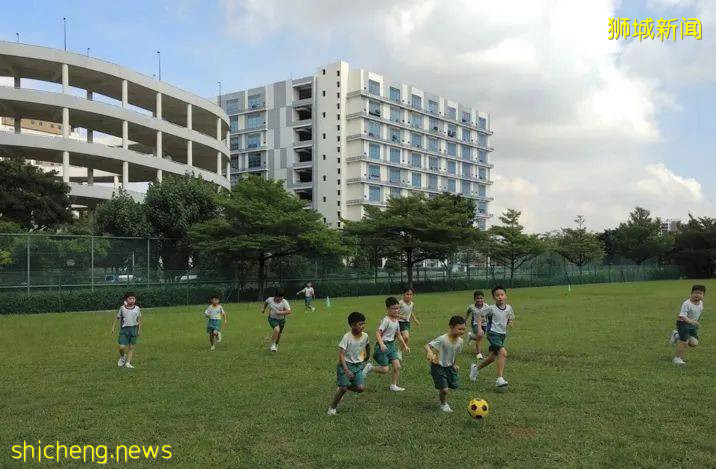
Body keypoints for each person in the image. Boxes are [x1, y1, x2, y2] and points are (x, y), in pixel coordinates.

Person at [327, 311, 371, 415]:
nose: (363, 326)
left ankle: (344, 385)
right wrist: (346, 370)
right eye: (360, 324)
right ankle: (332, 408)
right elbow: (341, 354)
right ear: (352, 325)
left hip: (357, 366)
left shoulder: (365, 336)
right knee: (343, 388)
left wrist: (367, 355)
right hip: (345, 365)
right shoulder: (347, 337)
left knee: (361, 388)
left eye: (363, 323)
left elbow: (367, 345)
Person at [470, 286, 514, 388]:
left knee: (492, 358)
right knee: (503, 352)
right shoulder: (491, 309)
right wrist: (480, 328)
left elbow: (510, 317)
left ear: (505, 296)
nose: (500, 297)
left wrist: (510, 322)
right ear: (494, 297)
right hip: (492, 333)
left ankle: (476, 368)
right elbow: (480, 316)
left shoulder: (509, 308)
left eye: (502, 295)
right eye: (497, 295)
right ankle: (499, 379)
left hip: (502, 335)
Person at [364, 296, 410, 391]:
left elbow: (398, 334)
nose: (396, 311)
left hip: (391, 345)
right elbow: (378, 333)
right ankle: (370, 367)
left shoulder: (396, 320)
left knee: (397, 366)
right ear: (387, 309)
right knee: (385, 370)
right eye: (393, 308)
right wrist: (381, 344)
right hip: (383, 346)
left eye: (397, 308)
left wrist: (405, 345)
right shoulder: (386, 320)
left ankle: (393, 385)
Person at [425, 315, 466, 412]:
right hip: (437, 366)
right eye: (459, 329)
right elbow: (427, 345)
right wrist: (430, 352)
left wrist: (454, 364)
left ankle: (442, 385)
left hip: (449, 366)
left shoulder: (460, 341)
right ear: (451, 327)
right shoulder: (442, 339)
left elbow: (454, 353)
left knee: (453, 385)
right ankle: (443, 404)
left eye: (464, 329)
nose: (462, 332)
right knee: (444, 389)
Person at [670, 285, 706, 366]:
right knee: (684, 342)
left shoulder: (701, 303)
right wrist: (691, 322)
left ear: (703, 295)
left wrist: (696, 323)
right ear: (691, 294)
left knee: (694, 343)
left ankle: (676, 334)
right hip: (683, 323)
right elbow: (682, 316)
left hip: (692, 325)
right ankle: (677, 358)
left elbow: (698, 313)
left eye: (700, 293)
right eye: (696, 293)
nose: (698, 295)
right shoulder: (686, 303)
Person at [111, 292, 141, 369]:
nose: (132, 300)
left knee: (131, 347)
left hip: (133, 329)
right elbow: (117, 318)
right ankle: (122, 356)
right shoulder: (122, 308)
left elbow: (138, 319)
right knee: (121, 347)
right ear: (126, 300)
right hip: (124, 330)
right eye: (130, 298)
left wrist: (138, 330)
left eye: (133, 298)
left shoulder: (137, 308)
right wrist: (113, 328)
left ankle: (128, 363)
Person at [465, 290, 490, 360]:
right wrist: (464, 321)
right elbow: (467, 313)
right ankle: (479, 353)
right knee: (480, 335)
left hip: (484, 324)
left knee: (480, 337)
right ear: (474, 299)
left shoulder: (487, 306)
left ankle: (471, 337)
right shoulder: (471, 307)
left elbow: (490, 315)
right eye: (477, 298)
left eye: (481, 298)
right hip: (475, 324)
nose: (479, 300)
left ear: (483, 299)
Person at [397, 287, 420, 358]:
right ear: (403, 294)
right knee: (394, 338)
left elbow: (411, 311)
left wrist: (415, 319)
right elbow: (394, 313)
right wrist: (401, 316)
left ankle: (399, 351)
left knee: (406, 337)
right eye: (407, 294)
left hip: (406, 323)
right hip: (398, 322)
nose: (409, 296)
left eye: (411, 294)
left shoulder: (412, 304)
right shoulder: (400, 303)